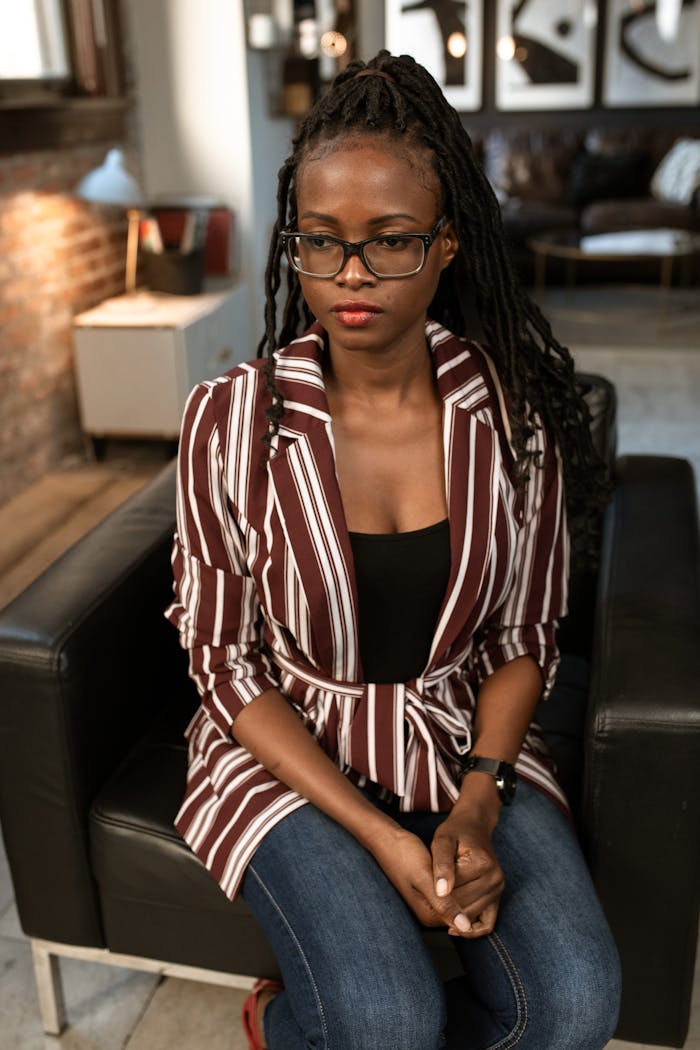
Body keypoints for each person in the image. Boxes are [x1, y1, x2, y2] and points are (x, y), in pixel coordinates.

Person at [165, 50, 621, 1050]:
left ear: (448, 245)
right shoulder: (231, 420)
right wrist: (377, 835)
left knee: (577, 1007)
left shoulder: (513, 420)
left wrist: (477, 802)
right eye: (320, 243)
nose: (351, 276)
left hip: (462, 737)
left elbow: (519, 636)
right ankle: (290, 1022)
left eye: (390, 242)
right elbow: (223, 662)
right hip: (289, 754)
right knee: (384, 1020)